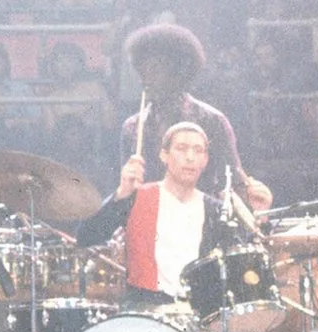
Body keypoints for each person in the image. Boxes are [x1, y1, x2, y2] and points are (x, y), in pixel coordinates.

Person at [76, 122, 246, 306]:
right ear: (164, 155)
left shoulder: (215, 210)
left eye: (198, 151)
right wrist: (121, 193)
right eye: (181, 149)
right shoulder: (138, 196)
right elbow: (86, 236)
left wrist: (260, 215)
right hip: (147, 312)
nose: (190, 157)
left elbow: (241, 268)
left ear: (205, 160)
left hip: (198, 315)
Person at [116, 23, 273, 212]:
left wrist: (256, 206)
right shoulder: (133, 127)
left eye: (155, 70)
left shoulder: (212, 121)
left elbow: (233, 185)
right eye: (143, 71)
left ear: (177, 71)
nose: (146, 80)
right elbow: (128, 192)